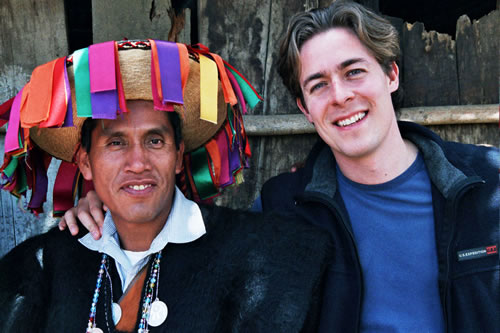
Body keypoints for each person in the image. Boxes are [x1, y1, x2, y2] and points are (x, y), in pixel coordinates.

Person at [62, 2, 500, 332]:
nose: (340, 96)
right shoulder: (281, 209)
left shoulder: (489, 184)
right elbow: (182, 255)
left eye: (354, 72)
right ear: (305, 108)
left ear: (391, 75)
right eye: (319, 85)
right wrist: (107, 205)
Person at [0, 40, 331, 332]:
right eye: (115, 143)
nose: (138, 162)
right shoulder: (42, 265)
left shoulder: (266, 256)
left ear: (177, 156)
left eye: (155, 140)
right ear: (85, 162)